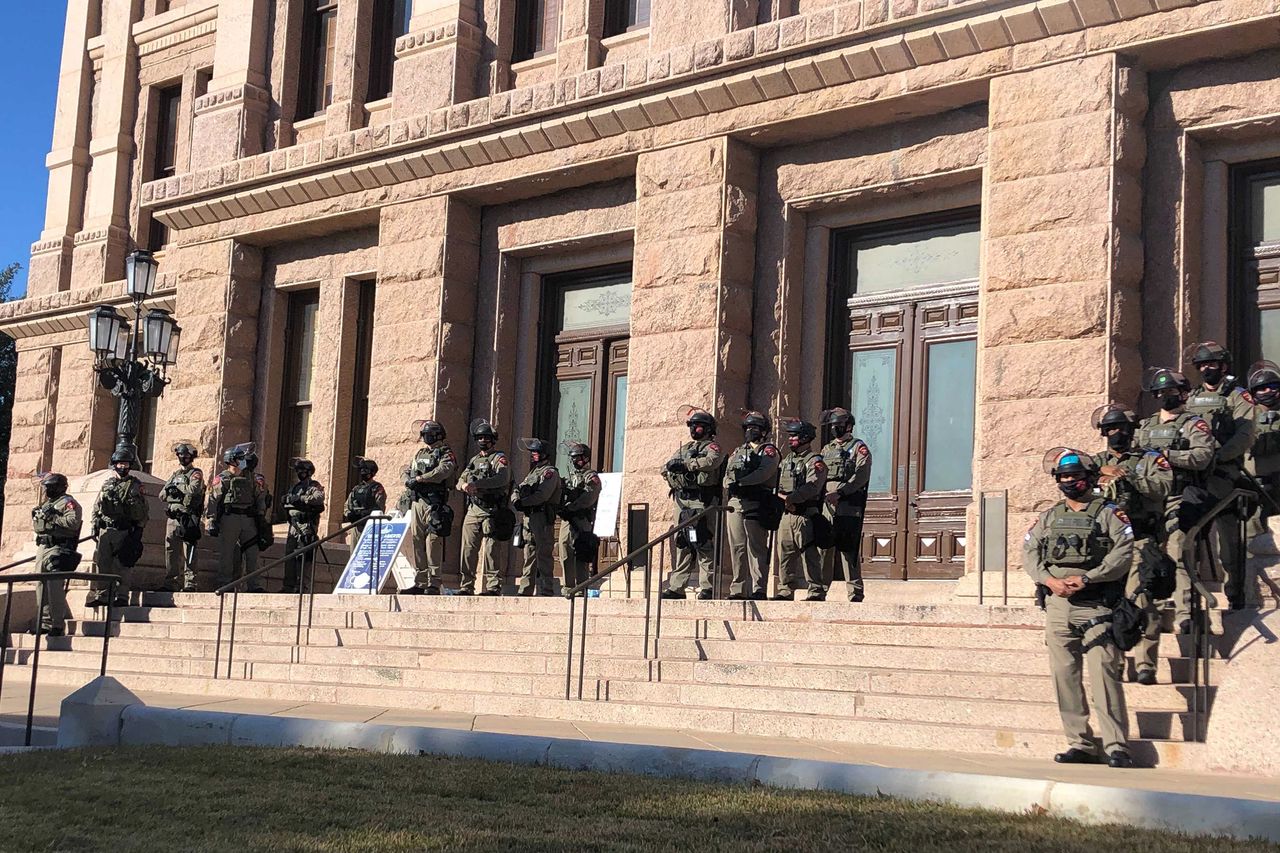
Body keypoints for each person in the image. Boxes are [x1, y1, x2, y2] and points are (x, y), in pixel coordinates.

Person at [1024, 448, 1134, 768]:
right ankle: (1080, 743)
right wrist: (1047, 580)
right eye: (1064, 477)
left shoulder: (1109, 513)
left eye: (1076, 476)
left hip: (1097, 604)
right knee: (1064, 677)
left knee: (1104, 676)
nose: (1071, 481)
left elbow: (1124, 552)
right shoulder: (1049, 515)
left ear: (1089, 478)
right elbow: (1030, 552)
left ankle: (1116, 747)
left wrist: (1089, 577)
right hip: (1058, 606)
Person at [1090, 404, 1173, 685]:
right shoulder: (1095, 462)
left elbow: (1163, 488)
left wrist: (1129, 477)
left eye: (1121, 428)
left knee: (1141, 598)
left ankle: (1146, 663)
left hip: (1140, 538)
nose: (1116, 433)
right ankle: (1116, 662)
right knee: (1110, 603)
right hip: (1107, 544)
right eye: (1111, 429)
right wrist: (1099, 475)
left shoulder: (1150, 459)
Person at [1135, 368, 1217, 634]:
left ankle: (1184, 614)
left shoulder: (1193, 424)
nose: (1165, 396)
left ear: (1182, 394)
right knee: (1148, 557)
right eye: (1160, 392)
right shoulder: (1145, 426)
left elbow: (1202, 455)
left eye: (1171, 391)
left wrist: (1168, 455)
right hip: (1149, 500)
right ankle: (1151, 615)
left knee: (1178, 554)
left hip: (1179, 498)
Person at [1183, 341, 1257, 610]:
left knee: (1229, 546)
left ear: (1223, 366)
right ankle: (1190, 598)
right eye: (1202, 365)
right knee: (1188, 536)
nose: (1206, 369)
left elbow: (1245, 435)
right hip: (1193, 476)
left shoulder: (1237, 396)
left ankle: (1236, 594)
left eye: (1211, 364)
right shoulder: (1190, 398)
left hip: (1224, 475)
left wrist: (1218, 455)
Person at [661, 406, 725, 600]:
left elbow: (711, 462)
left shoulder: (713, 447)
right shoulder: (685, 448)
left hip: (702, 500)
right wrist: (673, 468)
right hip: (682, 501)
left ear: (707, 429)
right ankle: (677, 587)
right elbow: (666, 467)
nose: (693, 429)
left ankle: (708, 587)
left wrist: (688, 465)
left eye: (697, 426)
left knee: (703, 541)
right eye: (692, 426)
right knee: (682, 542)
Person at [722, 411, 780, 601]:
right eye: (747, 428)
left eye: (755, 428)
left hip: (757, 500)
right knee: (737, 546)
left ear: (764, 431)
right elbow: (727, 474)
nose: (750, 431)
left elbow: (764, 472)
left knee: (756, 547)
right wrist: (732, 483)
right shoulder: (738, 451)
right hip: (736, 502)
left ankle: (759, 588)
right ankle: (738, 589)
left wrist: (743, 482)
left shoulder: (768, 450)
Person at [819, 407, 871, 603]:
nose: (835, 429)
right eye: (833, 426)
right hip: (827, 505)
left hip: (848, 503)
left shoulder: (859, 447)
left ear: (848, 426)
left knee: (848, 548)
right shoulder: (827, 449)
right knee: (824, 547)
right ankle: (819, 591)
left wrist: (840, 493)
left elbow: (861, 475)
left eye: (839, 426)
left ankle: (855, 592)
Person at [456, 419, 512, 596]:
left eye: (486, 438)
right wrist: (464, 486)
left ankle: (493, 586)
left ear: (492, 440)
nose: (482, 441)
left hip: (492, 509)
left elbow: (502, 479)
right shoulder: (474, 460)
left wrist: (479, 484)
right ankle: (466, 585)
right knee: (468, 548)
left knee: (491, 550)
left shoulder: (499, 458)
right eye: (479, 437)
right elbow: (461, 480)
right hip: (474, 509)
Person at [774, 419, 828, 601]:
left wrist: (791, 498)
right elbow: (777, 482)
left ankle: (815, 591)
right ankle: (785, 590)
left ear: (805, 437)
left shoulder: (815, 461)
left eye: (794, 436)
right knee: (785, 554)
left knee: (809, 555)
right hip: (786, 515)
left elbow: (813, 486)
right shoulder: (787, 459)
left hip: (804, 515)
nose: (790, 439)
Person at [87, 450, 148, 608]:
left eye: (126, 463)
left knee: (123, 564)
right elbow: (97, 506)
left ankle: (122, 596)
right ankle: (103, 595)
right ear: (114, 465)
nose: (122, 466)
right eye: (120, 463)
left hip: (124, 530)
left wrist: (138, 531)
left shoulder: (135, 485)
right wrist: (94, 524)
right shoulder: (107, 483)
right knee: (103, 563)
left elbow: (143, 510)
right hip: (106, 530)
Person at [402, 420, 457, 595]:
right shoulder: (420, 453)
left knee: (432, 542)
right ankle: (420, 581)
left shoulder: (445, 453)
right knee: (417, 539)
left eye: (427, 434)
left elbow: (444, 471)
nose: (424, 437)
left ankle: (434, 582)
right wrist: (408, 480)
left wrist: (421, 479)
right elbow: (407, 470)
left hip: (434, 502)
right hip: (418, 501)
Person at [206, 445, 264, 593]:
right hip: (230, 518)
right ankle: (225, 583)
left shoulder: (250, 477)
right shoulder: (223, 478)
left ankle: (254, 585)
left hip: (248, 519)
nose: (244, 461)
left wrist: (262, 519)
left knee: (252, 553)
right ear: (232, 460)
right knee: (227, 552)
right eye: (240, 458)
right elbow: (213, 500)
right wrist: (211, 520)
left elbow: (259, 497)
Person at [31, 473, 82, 636]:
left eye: (51, 486)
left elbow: (73, 523)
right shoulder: (47, 503)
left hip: (59, 547)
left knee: (54, 587)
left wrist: (54, 517)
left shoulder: (68, 503)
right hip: (43, 546)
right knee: (40, 584)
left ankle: (57, 624)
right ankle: (44, 621)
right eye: (46, 486)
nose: (47, 489)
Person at [1245, 361, 1280, 585]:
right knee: (1249, 538)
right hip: (1250, 483)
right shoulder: (1243, 416)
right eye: (1261, 388)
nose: (1268, 392)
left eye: (1272, 386)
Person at [513, 438, 561, 596]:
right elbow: (519, 488)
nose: (533, 455)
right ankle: (525, 588)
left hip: (542, 517)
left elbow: (543, 495)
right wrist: (516, 499)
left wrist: (524, 502)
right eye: (532, 452)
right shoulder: (533, 472)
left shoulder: (550, 472)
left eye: (536, 452)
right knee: (529, 552)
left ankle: (546, 589)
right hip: (529, 518)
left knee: (544, 555)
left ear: (545, 454)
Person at [161, 442, 205, 593]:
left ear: (191, 457)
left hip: (187, 516)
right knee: (171, 550)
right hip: (173, 518)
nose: (183, 458)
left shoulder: (195, 473)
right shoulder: (175, 475)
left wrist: (178, 488)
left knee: (189, 550)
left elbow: (193, 489)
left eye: (186, 455)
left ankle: (190, 582)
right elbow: (162, 494)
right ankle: (171, 582)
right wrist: (171, 489)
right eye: (181, 455)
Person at [557, 442, 601, 592]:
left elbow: (589, 497)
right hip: (567, 520)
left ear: (586, 458)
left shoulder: (591, 476)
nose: (575, 461)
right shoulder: (570, 476)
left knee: (581, 552)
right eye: (573, 458)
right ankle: (568, 586)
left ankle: (581, 587)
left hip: (581, 519)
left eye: (578, 458)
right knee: (564, 551)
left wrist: (572, 507)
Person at [281, 459, 325, 594]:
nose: (299, 473)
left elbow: (319, 499)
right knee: (289, 555)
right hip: (293, 525)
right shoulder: (295, 487)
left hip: (306, 525)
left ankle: (303, 587)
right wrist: (287, 499)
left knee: (304, 557)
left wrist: (300, 499)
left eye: (302, 471)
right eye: (298, 471)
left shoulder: (314, 486)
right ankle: (288, 586)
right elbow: (287, 501)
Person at [342, 457, 387, 546]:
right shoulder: (356, 489)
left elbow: (379, 508)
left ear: (372, 473)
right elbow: (347, 505)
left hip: (370, 526)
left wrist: (364, 514)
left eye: (365, 471)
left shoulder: (377, 488)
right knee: (354, 554)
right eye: (361, 470)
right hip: (356, 526)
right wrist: (349, 514)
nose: (362, 473)